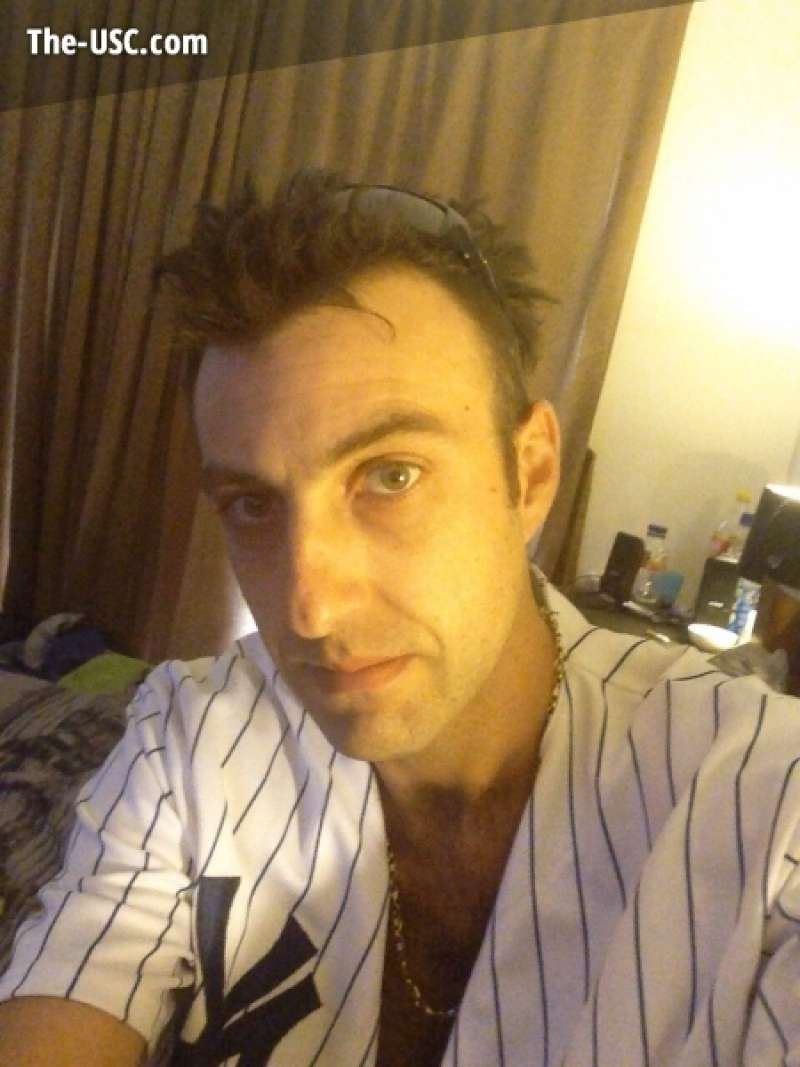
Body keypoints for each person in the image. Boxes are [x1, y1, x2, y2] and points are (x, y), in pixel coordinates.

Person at [0, 170, 798, 1067]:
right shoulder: (189, 737)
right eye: (252, 504)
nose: (309, 607)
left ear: (531, 473)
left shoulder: (770, 814)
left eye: (391, 475)